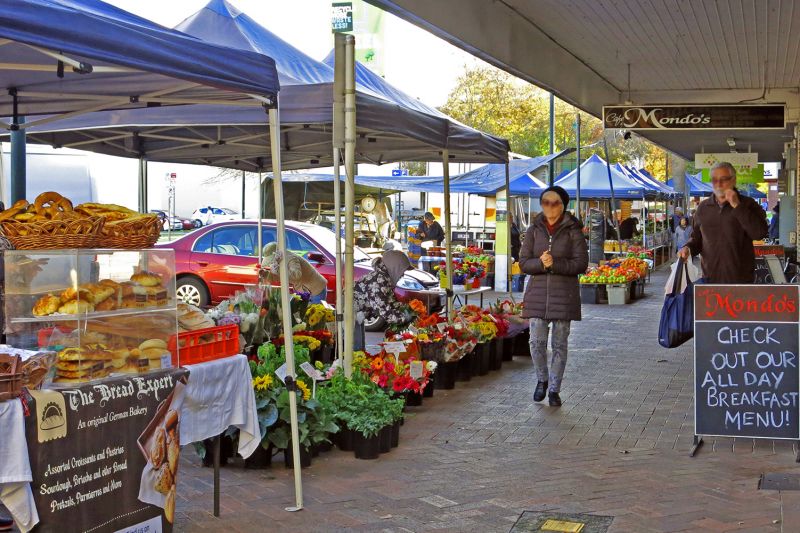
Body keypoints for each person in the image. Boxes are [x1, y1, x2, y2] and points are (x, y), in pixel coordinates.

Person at [519, 186, 588, 407]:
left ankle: (554, 390)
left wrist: (555, 264)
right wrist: (541, 263)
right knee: (536, 343)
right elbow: (523, 263)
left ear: (563, 205)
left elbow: (581, 264)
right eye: (545, 202)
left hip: (564, 296)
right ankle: (542, 379)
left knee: (559, 345)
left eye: (555, 203)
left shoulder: (573, 231)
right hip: (537, 295)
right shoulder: (533, 230)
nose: (549, 207)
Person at [678, 162, 768, 283]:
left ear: (733, 180)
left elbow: (759, 233)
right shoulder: (703, 208)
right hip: (710, 280)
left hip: (741, 282)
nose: (718, 184)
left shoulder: (748, 204)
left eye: (723, 179)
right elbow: (696, 239)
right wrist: (687, 248)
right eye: (714, 180)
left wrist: (737, 206)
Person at [353, 250, 416, 349]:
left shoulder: (384, 278)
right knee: (355, 350)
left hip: (357, 316)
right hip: (351, 317)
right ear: (395, 268)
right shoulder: (377, 281)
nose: (403, 275)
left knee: (358, 349)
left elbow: (390, 302)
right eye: (402, 270)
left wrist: (407, 308)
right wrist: (404, 317)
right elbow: (384, 311)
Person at [262, 242, 328, 303]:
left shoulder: (291, 258)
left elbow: (296, 275)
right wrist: (266, 275)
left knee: (312, 311)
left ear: (277, 254)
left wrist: (278, 271)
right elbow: (282, 276)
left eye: (271, 259)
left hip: (315, 289)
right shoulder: (279, 259)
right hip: (305, 290)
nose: (271, 262)